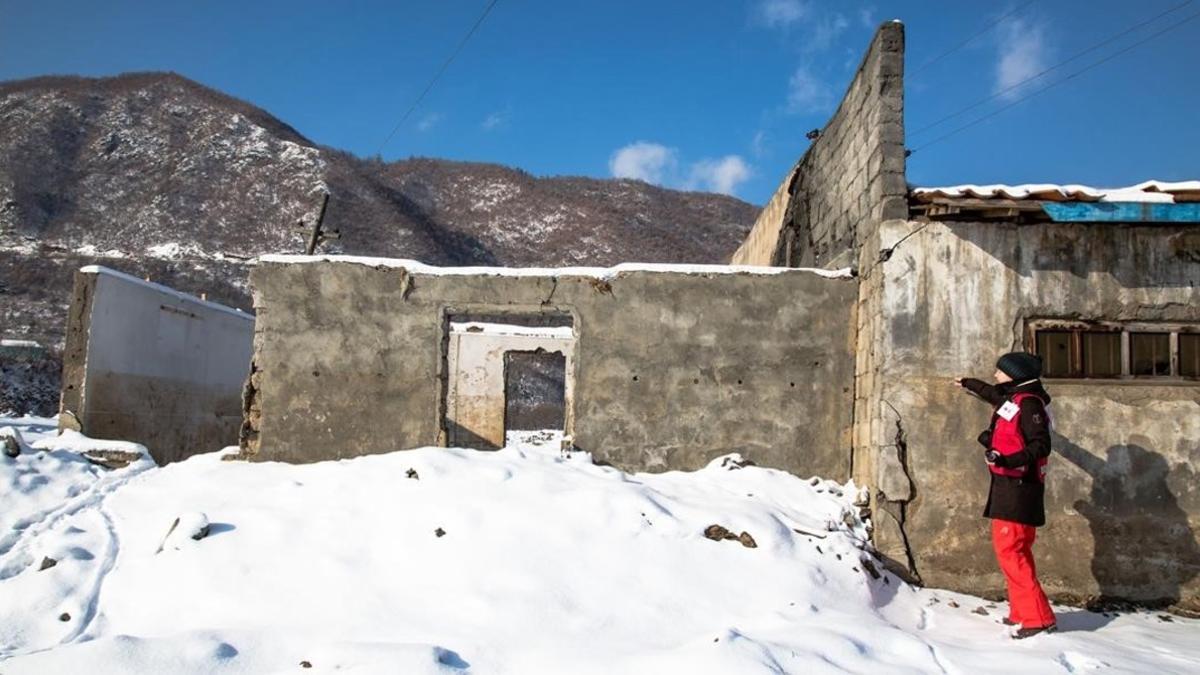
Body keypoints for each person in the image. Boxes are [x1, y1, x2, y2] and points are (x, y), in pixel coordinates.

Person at [955, 351, 1057, 639]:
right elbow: (993, 395)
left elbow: (1041, 445)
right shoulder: (1014, 399)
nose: (996, 375)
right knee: (1013, 551)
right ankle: (1022, 612)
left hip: (1019, 487)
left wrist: (1008, 461)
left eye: (1001, 371)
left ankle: (1037, 618)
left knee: (1011, 550)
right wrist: (968, 383)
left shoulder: (1029, 405)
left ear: (1015, 375)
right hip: (1009, 485)